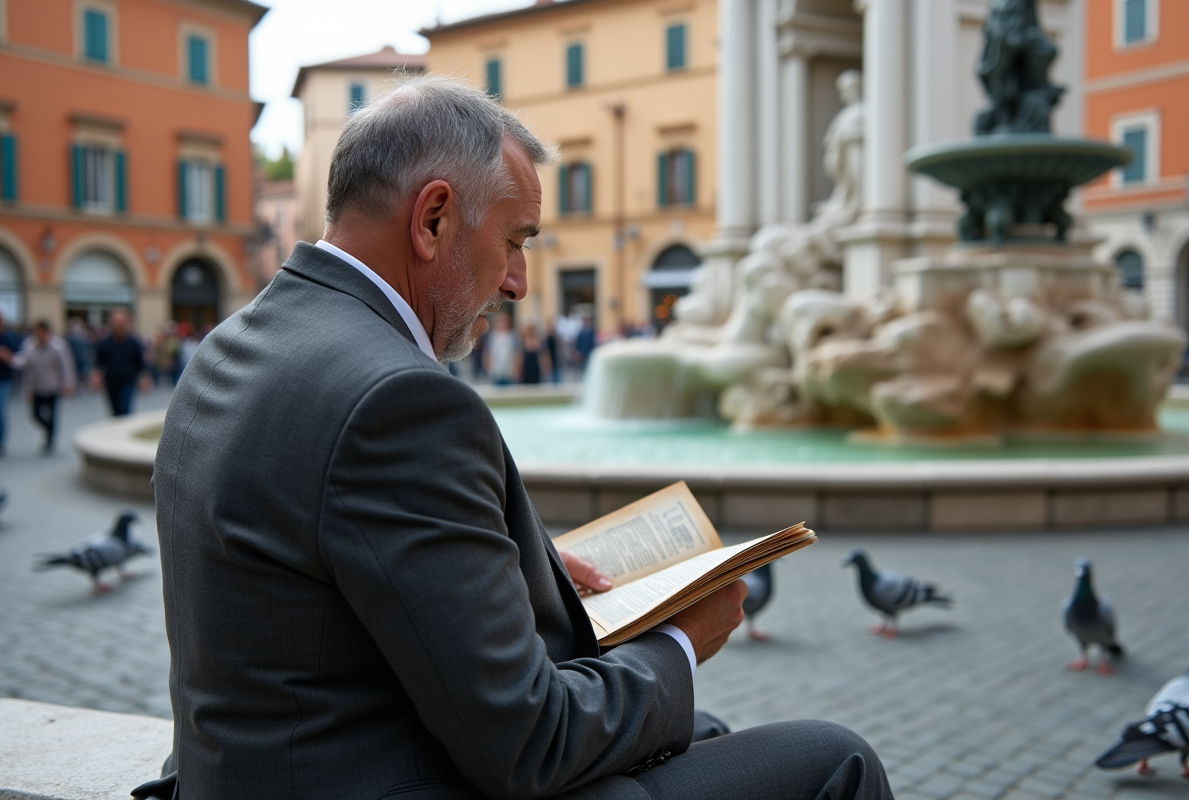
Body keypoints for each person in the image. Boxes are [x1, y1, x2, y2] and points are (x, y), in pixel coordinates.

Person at [135, 76, 891, 800]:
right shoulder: (399, 400)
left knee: (703, 734)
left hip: (263, 769)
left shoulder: (231, 347)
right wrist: (682, 642)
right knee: (835, 761)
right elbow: (531, 745)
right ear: (432, 220)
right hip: (380, 776)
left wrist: (495, 558)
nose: (519, 282)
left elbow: (328, 563)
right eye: (516, 240)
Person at [10, 320, 75, 454]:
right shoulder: (30, 345)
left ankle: (50, 440)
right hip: (37, 387)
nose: (38, 335)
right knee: (35, 415)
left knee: (52, 415)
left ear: (47, 332)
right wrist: (9, 359)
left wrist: (68, 383)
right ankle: (48, 430)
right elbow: (24, 365)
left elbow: (66, 366)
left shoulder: (58, 346)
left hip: (53, 386)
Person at [90, 308, 150, 417]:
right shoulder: (104, 343)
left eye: (122, 321)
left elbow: (140, 364)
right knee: (115, 411)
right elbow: (98, 362)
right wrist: (96, 376)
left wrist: (144, 379)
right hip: (110, 382)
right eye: (116, 321)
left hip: (128, 381)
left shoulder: (134, 343)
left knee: (124, 408)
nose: (119, 324)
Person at [0, 311, 23, 456]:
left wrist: (6, 356)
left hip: (4, 380)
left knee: (1, 413)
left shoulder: (9, 339)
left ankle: (1, 443)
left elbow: (19, 361)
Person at [483, 310, 520, 385]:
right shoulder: (492, 336)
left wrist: (517, 369)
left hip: (509, 371)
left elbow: (517, 353)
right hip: (495, 370)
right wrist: (487, 366)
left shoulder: (512, 336)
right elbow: (487, 352)